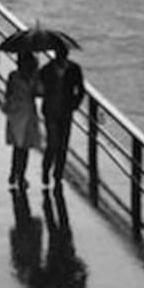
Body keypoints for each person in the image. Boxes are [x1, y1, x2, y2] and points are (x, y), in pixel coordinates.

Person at [39, 43, 85, 187]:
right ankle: (46, 170)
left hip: (65, 111)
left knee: (63, 145)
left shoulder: (74, 69)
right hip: (51, 111)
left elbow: (81, 89)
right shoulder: (46, 70)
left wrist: (74, 105)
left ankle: (58, 173)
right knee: (53, 143)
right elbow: (40, 86)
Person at [4, 51, 42, 189]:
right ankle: (19, 175)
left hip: (20, 112)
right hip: (21, 112)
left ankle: (16, 173)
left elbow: (8, 93)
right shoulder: (19, 76)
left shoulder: (16, 76)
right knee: (22, 146)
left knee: (20, 146)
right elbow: (39, 92)